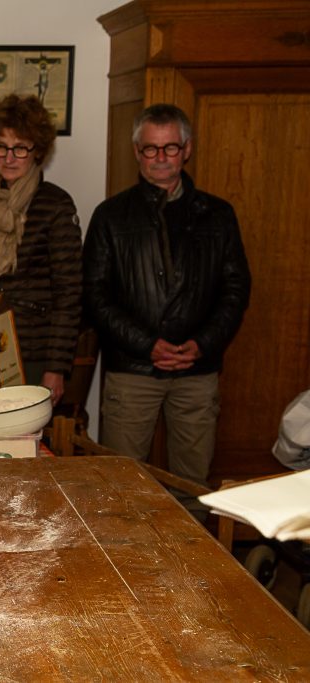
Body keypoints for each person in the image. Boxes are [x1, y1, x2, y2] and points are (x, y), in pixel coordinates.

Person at [83, 103, 251, 510]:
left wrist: (202, 344)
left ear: (187, 149)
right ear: (136, 151)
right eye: (150, 149)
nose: (160, 159)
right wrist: (147, 345)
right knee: (120, 484)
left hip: (197, 370)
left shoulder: (217, 214)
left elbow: (236, 289)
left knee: (192, 488)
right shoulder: (110, 216)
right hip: (133, 371)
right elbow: (95, 295)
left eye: (170, 148)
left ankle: (190, 570)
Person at [0, 94, 82, 405]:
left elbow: (70, 293)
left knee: (25, 448)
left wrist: (56, 368)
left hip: (32, 354)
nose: (10, 157)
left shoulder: (56, 205)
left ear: (38, 152)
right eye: (2, 146)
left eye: (20, 147)